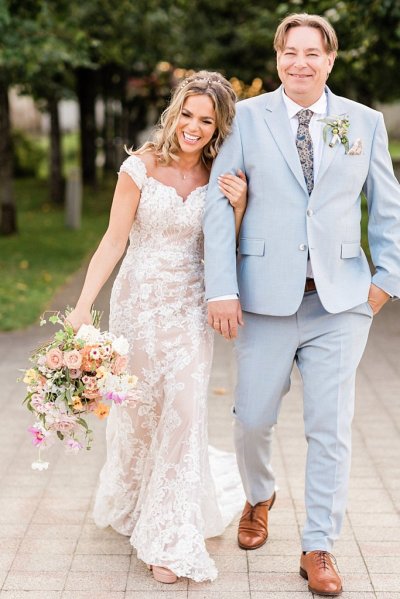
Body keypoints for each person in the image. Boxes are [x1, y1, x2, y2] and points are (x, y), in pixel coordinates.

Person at [204, 13, 400, 597]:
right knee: (252, 420)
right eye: (290, 52)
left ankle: (319, 547)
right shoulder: (247, 119)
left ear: (330, 60)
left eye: (313, 53)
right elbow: (220, 206)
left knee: (330, 428)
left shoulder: (363, 122)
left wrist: (385, 280)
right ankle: (259, 493)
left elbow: (385, 206)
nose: (300, 63)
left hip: (340, 303)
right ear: (277, 57)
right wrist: (222, 288)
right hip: (264, 299)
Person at [67, 71, 247, 584]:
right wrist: (83, 307)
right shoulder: (139, 167)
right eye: (187, 115)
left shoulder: (222, 175)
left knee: (185, 412)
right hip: (138, 304)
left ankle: (168, 535)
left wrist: (238, 208)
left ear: (219, 126)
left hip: (190, 307)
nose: (194, 127)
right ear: (175, 113)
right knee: (140, 412)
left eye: (206, 120)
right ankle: (135, 503)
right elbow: (112, 241)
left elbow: (221, 251)